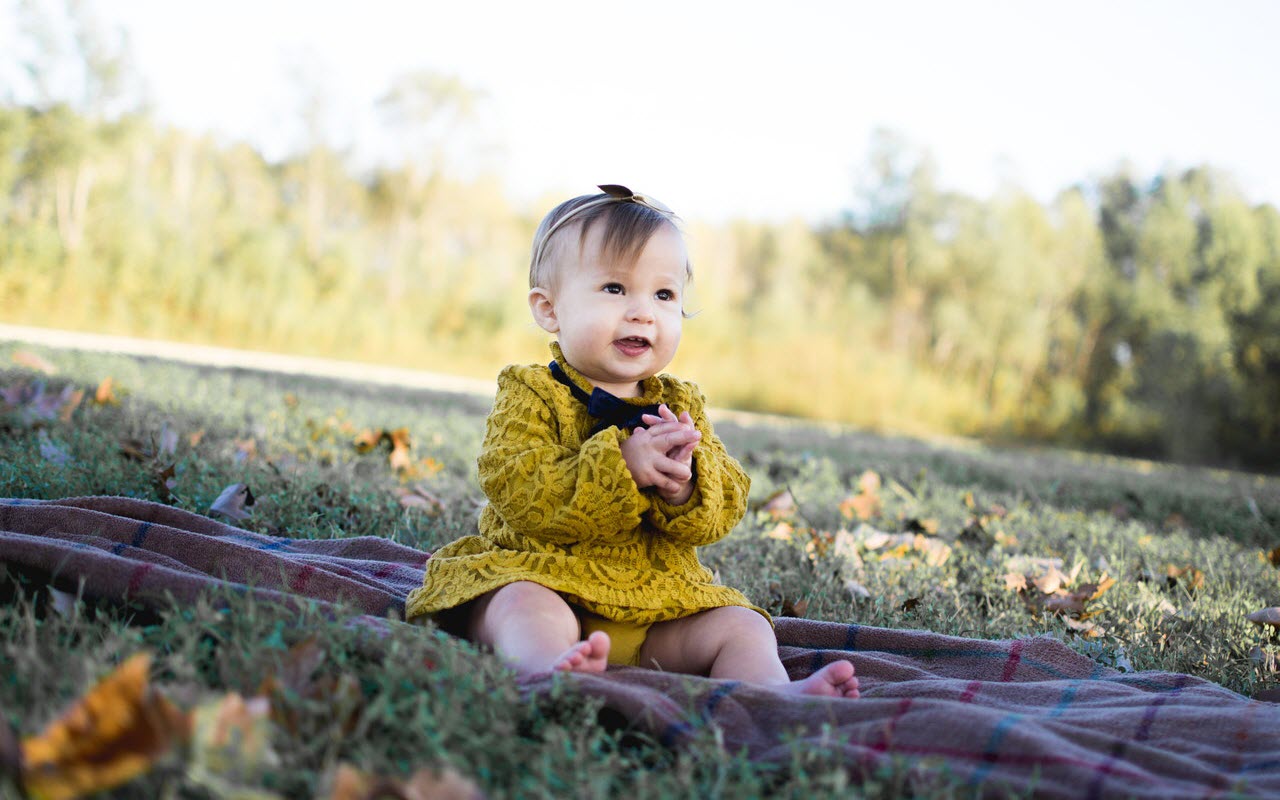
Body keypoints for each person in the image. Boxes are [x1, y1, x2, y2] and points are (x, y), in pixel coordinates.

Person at [406, 185, 858, 699]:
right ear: (549, 309)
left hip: (655, 606)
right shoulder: (530, 392)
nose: (643, 312)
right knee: (518, 606)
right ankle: (548, 671)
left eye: (664, 295)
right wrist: (620, 466)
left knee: (743, 625)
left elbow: (727, 502)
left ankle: (773, 695)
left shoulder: (680, 403)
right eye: (616, 289)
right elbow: (519, 485)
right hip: (546, 577)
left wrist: (685, 487)